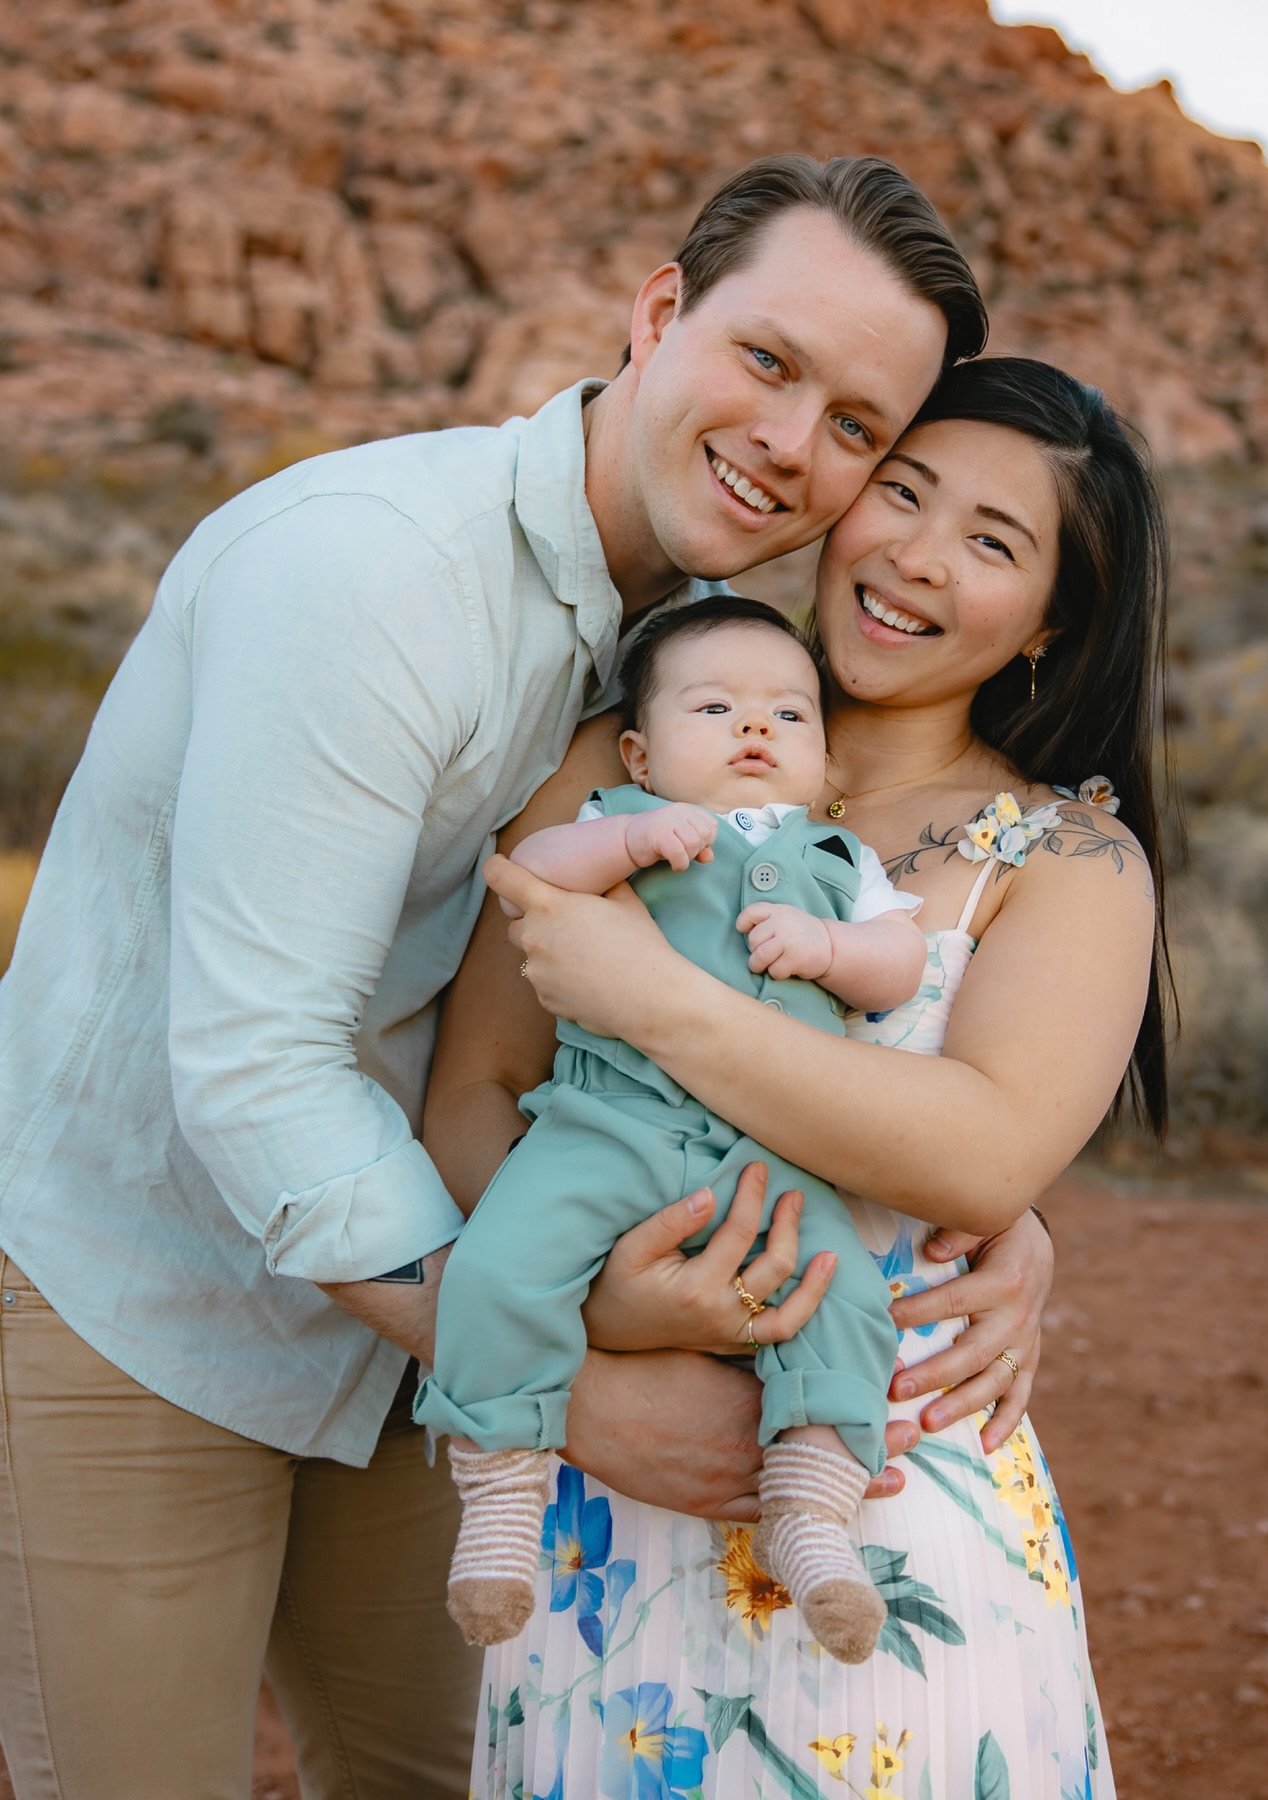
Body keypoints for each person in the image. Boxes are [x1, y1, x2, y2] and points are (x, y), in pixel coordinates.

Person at [0, 156, 1059, 1800]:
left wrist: (970, 1195)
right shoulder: (372, 576)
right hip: (142, 1295)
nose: (795, 445)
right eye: (768, 363)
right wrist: (566, 1391)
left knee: (449, 1776)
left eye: (855, 426)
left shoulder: (703, 653)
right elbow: (260, 1066)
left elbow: (754, 981)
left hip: (406, 1309)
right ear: (658, 314)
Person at [429, 354, 1172, 1796]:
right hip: (611, 1497)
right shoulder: (628, 755)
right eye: (899, 491)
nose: (915, 553)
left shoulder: (1067, 859)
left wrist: (656, 999)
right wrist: (600, 1306)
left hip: (890, 1498)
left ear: (1049, 623)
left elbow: (979, 1157)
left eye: (992, 540)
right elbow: (472, 1090)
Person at [416, 598, 928, 1660]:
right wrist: (626, 836)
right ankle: (502, 1492)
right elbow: (536, 878)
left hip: (777, 1151)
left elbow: (900, 964)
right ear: (642, 753)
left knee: (843, 1296)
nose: (755, 729)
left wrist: (831, 953)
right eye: (717, 708)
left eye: (788, 715)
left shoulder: (837, 856)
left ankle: (810, 1511)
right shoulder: (613, 819)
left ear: (825, 761)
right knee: (504, 1257)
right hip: (608, 1125)